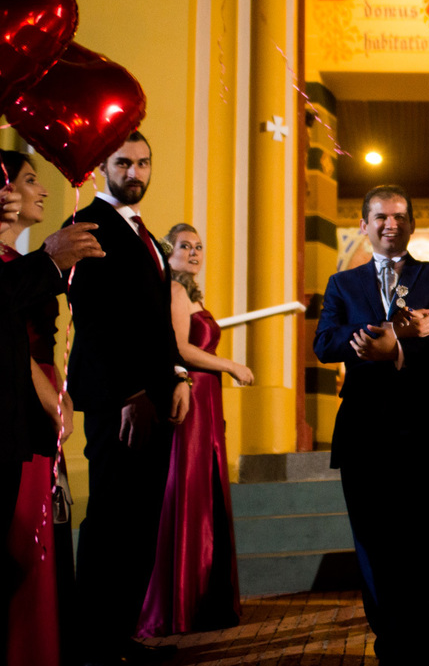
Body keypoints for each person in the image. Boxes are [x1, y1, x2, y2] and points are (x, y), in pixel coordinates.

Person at [314, 185, 429, 663]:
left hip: (419, 425)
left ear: (412, 224)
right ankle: (390, 640)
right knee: (371, 539)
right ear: (364, 225)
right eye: (381, 217)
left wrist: (408, 347)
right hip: (362, 427)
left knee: (416, 536)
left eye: (400, 217)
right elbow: (325, 344)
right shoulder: (343, 284)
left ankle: (418, 641)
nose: (391, 224)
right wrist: (382, 335)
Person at [66, 131, 191, 665]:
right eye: (124, 163)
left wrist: (178, 374)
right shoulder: (87, 227)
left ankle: (119, 637)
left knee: (141, 520)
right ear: (102, 168)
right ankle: (93, 645)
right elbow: (96, 323)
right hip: (119, 403)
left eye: (143, 162)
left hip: (158, 397)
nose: (135, 172)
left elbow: (156, 322)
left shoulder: (143, 234)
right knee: (112, 520)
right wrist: (131, 393)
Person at [0, 180, 100, 661]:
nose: (38, 189)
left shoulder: (18, 262)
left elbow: (43, 337)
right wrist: (51, 398)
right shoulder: (18, 267)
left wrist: (58, 390)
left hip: (36, 401)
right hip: (19, 405)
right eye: (25, 179)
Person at [137, 223, 253, 637]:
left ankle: (202, 595)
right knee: (186, 490)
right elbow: (181, 349)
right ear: (168, 251)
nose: (194, 252)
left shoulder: (188, 292)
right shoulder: (173, 290)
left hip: (206, 401)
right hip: (191, 397)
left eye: (199, 246)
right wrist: (232, 366)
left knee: (204, 491)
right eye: (184, 246)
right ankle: (177, 604)